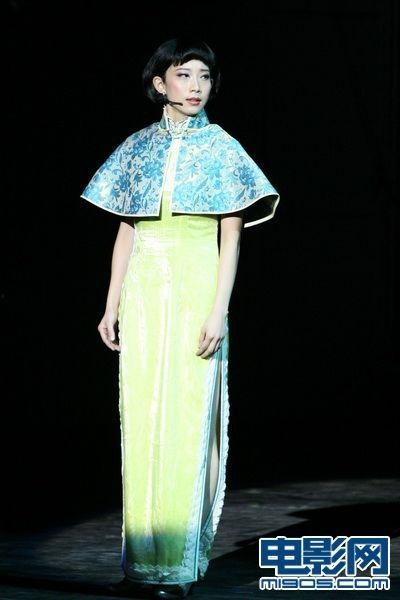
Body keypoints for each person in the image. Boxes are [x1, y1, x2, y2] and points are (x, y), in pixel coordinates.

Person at [81, 36, 280, 599]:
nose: (196, 86)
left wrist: (218, 309)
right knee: (143, 420)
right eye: (184, 75)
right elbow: (126, 229)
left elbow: (231, 238)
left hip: (196, 285)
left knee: (187, 422)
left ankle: (177, 569)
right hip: (144, 289)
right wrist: (111, 302)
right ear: (159, 83)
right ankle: (140, 567)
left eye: (204, 77)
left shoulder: (222, 148)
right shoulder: (138, 147)